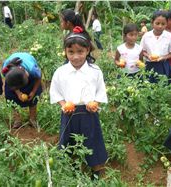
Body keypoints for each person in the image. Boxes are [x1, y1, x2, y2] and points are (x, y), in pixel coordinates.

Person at [49, 26, 108, 179]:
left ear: (87, 50)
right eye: (71, 52)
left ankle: (96, 170)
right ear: (65, 52)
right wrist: (63, 105)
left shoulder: (95, 71)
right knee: (69, 142)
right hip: (69, 114)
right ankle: (71, 169)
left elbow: (101, 91)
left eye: (80, 52)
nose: (76, 57)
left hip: (89, 114)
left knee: (92, 141)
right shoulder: (60, 72)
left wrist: (95, 103)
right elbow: (55, 92)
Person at [2, 52, 42, 129]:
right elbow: (11, 84)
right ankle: (17, 120)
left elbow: (38, 78)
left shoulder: (32, 69)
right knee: (11, 97)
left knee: (33, 99)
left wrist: (33, 92)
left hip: (29, 71)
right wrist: (18, 93)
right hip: (13, 77)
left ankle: (32, 119)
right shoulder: (6, 71)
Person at [140, 10, 171, 83]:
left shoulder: (170, 36)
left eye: (163, 24)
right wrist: (148, 56)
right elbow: (142, 51)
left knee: (163, 86)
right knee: (148, 86)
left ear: (166, 24)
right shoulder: (146, 36)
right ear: (152, 23)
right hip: (149, 65)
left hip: (163, 66)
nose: (160, 26)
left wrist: (163, 58)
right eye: (157, 23)